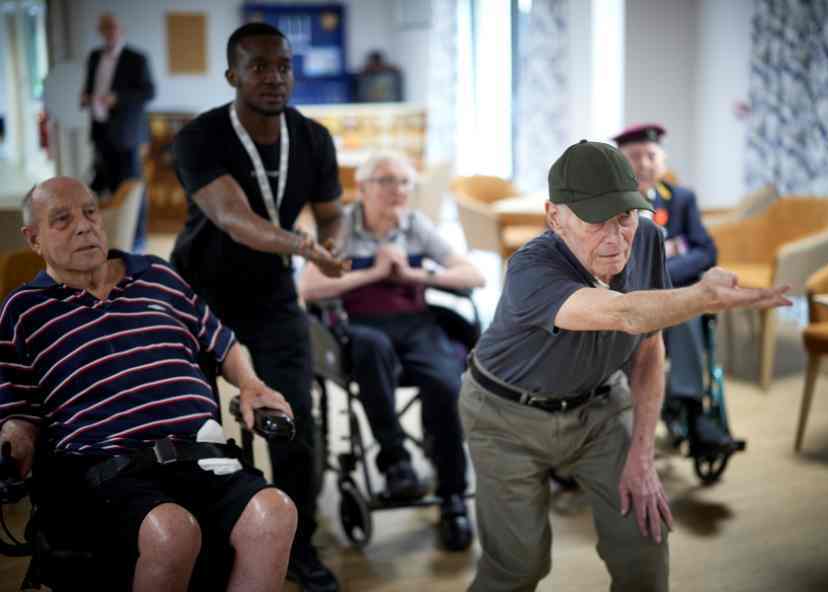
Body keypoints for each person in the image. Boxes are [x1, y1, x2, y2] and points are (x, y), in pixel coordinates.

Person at [460, 140, 790, 591]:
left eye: (625, 217)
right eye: (597, 220)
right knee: (519, 565)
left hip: (598, 407)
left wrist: (643, 455)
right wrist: (701, 297)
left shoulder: (648, 239)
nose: (616, 239)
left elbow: (649, 348)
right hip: (504, 417)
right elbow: (624, 312)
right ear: (555, 216)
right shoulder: (529, 268)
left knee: (645, 542)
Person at [0, 177, 298, 592]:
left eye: (90, 212)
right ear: (33, 239)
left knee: (275, 512)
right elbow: (18, 409)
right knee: (171, 532)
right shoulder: (24, 311)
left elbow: (222, 341)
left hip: (200, 454)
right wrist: (13, 444)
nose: (84, 226)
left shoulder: (155, 274)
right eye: (62, 220)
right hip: (106, 469)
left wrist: (250, 383)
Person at [169, 22, 348, 592]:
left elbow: (332, 212)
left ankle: (299, 542)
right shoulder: (200, 136)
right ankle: (200, 536)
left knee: (296, 420)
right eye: (259, 67)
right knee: (193, 423)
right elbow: (233, 218)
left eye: (283, 66)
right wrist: (305, 246)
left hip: (273, 297)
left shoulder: (314, 137)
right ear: (233, 75)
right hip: (199, 296)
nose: (274, 77)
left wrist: (334, 242)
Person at [299, 151, 485, 550]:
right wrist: (373, 273)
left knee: (444, 382)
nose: (398, 190)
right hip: (359, 327)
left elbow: (474, 275)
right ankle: (396, 459)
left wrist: (414, 273)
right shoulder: (342, 227)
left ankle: (453, 496)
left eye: (404, 182)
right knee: (371, 348)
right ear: (363, 188)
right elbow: (308, 287)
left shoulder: (416, 225)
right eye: (387, 181)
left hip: (416, 323)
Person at [613, 123, 730, 450]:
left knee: (688, 310)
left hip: (671, 298)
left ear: (663, 161)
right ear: (619, 163)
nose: (644, 163)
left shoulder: (681, 200)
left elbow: (706, 250)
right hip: (627, 303)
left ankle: (692, 410)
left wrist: (660, 272)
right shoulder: (608, 206)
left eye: (651, 155)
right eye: (634, 156)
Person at [80, 13, 154, 252]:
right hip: (100, 131)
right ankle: (109, 238)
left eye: (112, 28)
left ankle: (137, 240)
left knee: (131, 189)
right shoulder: (93, 57)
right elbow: (90, 87)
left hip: (127, 136)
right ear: (100, 31)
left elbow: (148, 92)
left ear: (121, 30)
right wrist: (85, 97)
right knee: (104, 186)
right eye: (104, 29)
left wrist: (117, 98)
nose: (109, 32)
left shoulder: (136, 58)